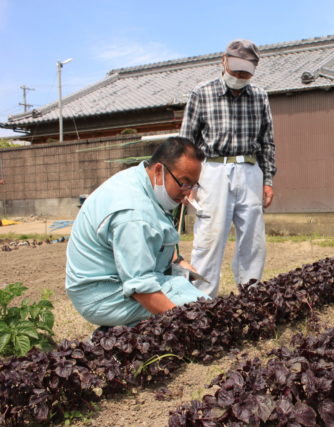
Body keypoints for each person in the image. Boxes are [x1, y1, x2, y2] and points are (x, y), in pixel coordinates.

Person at [66, 137, 209, 328]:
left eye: (193, 185)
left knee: (188, 293)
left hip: (107, 283)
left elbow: (151, 239)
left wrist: (177, 260)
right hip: (103, 297)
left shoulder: (141, 180)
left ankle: (128, 328)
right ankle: (127, 331)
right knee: (200, 308)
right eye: (184, 183)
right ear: (159, 170)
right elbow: (141, 288)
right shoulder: (134, 215)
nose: (187, 192)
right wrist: (184, 323)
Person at [180, 39, 276, 297]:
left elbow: (267, 142)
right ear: (223, 61)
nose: (239, 77)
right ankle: (201, 298)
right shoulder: (202, 93)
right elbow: (186, 141)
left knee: (253, 240)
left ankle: (251, 293)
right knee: (209, 237)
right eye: (235, 71)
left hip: (250, 169)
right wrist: (186, 183)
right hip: (212, 170)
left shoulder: (260, 97)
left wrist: (268, 180)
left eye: (245, 73)